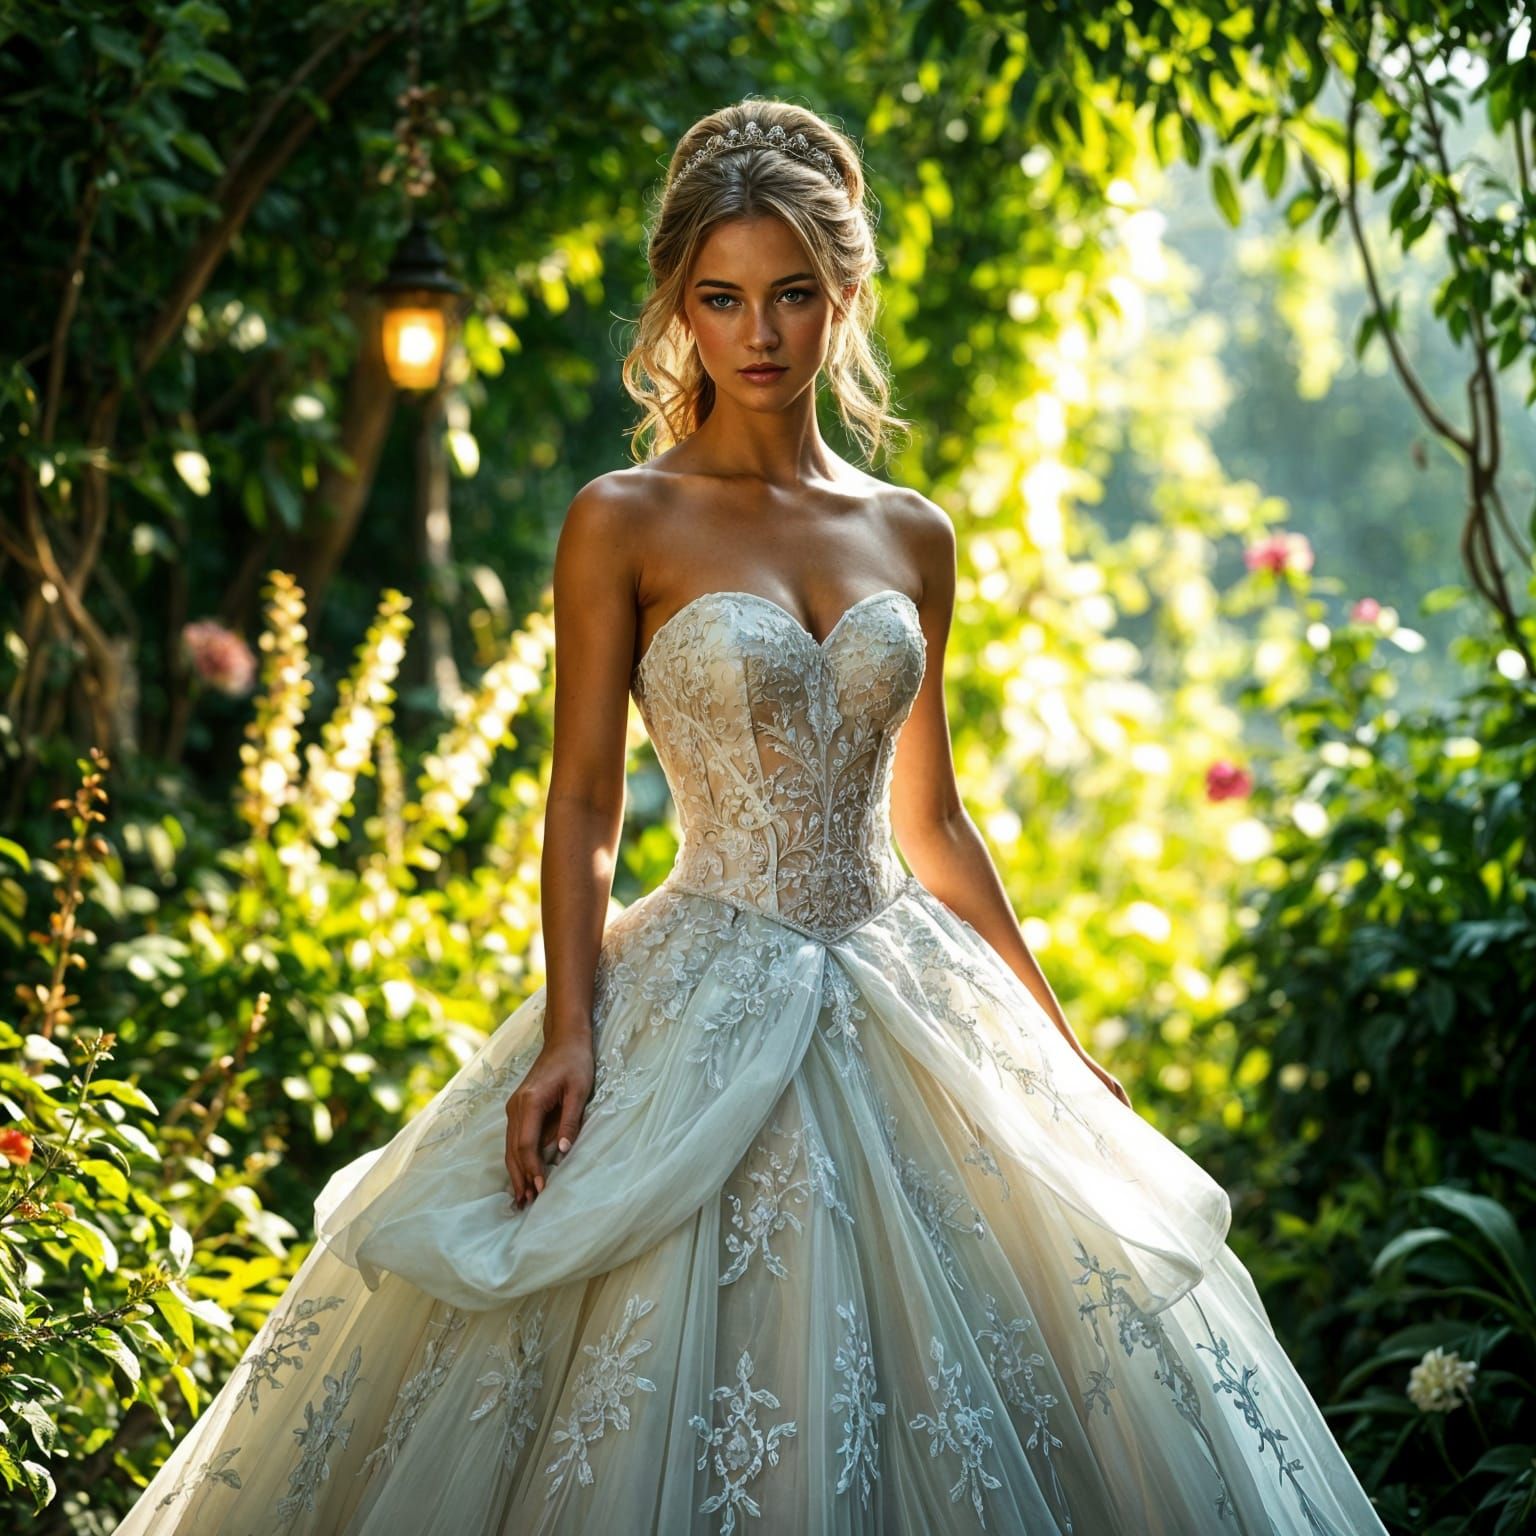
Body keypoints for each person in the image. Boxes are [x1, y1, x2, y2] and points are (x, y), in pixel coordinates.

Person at [116, 97, 1390, 1536]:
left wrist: (1056, 1037)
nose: (760, 333)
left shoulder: (910, 530)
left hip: (907, 982)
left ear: (843, 297)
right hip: (699, 973)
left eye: (792, 295)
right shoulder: (624, 517)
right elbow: (586, 797)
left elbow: (938, 821)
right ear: (680, 310)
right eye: (721, 300)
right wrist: (571, 1025)